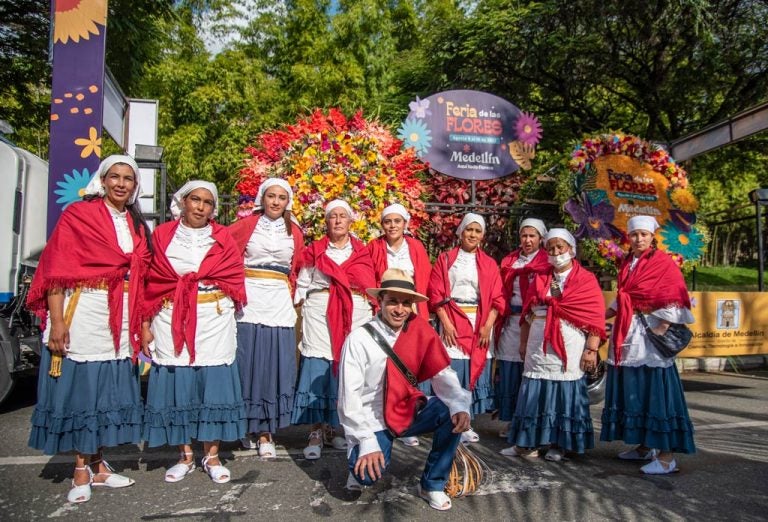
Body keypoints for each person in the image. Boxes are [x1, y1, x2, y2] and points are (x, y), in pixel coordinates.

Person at [27, 155, 151, 503]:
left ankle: (98, 465)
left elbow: (141, 277)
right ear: (103, 180)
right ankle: (80, 468)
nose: (121, 183)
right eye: (115, 176)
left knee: (105, 392)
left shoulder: (136, 224)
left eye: (128, 178)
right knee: (83, 390)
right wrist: (59, 322)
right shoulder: (79, 216)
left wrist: (141, 322)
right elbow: (56, 272)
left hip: (120, 315)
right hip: (84, 308)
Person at [338, 269, 471, 511]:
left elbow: (442, 374)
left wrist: (459, 404)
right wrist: (366, 441)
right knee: (367, 477)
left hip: (405, 408)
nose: (400, 309)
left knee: (449, 411)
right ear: (379, 302)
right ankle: (356, 463)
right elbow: (349, 400)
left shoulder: (419, 330)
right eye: (393, 302)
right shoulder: (358, 339)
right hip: (372, 419)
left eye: (406, 303)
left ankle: (432, 484)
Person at [141, 180, 246, 484]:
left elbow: (234, 276)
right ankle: (184, 455)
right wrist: (145, 325)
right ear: (183, 202)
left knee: (213, 385)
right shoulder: (162, 235)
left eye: (208, 202)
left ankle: (211, 455)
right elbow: (151, 281)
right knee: (179, 386)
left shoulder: (223, 237)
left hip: (213, 318)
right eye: (195, 200)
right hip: (171, 315)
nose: (201, 207)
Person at [600, 215, 695, 474]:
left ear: (652, 236)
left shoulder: (663, 263)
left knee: (656, 392)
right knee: (636, 390)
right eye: (634, 235)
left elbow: (675, 293)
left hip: (651, 337)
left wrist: (662, 327)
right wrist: (600, 316)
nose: (639, 239)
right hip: (630, 332)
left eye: (643, 234)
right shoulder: (628, 263)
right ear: (628, 238)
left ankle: (666, 457)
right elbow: (624, 297)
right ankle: (644, 446)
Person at [501, 228, 605, 462]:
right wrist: (524, 342)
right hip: (538, 343)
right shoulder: (540, 277)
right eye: (551, 248)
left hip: (570, 343)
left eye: (560, 247)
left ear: (571, 250)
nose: (556, 252)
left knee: (563, 394)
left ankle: (561, 444)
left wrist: (591, 349)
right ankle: (527, 442)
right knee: (533, 392)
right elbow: (527, 311)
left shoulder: (585, 280)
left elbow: (596, 319)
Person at [292, 199, 376, 460]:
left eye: (343, 216)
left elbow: (371, 288)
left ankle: (336, 429)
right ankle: (316, 432)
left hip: (354, 314)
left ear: (351, 222)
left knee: (347, 369)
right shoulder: (315, 251)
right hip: (320, 314)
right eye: (333, 216)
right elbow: (302, 285)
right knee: (319, 367)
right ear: (326, 222)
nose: (338, 220)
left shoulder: (363, 253)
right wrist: (297, 312)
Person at [229, 179, 304, 457]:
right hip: (250, 297)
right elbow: (225, 253)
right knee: (248, 362)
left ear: (288, 202)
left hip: (279, 298)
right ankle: (245, 424)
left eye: (281, 197)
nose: (275, 202)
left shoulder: (294, 232)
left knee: (275, 363)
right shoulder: (246, 226)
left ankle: (266, 432)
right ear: (262, 198)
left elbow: (294, 269)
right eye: (271, 196)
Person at [428, 213, 505, 444]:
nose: (472, 235)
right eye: (469, 230)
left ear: (482, 236)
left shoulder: (490, 263)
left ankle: (467, 422)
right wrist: (447, 323)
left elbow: (498, 299)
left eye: (477, 231)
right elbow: (436, 293)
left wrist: (487, 327)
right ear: (461, 232)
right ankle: (452, 420)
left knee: (472, 369)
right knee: (453, 371)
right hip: (452, 318)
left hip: (479, 322)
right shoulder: (445, 259)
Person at [367, 203, 432, 447]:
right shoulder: (374, 247)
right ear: (382, 224)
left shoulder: (415, 247)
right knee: (385, 366)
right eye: (388, 221)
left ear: (406, 224)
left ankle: (409, 422)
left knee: (409, 367)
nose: (392, 226)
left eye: (397, 221)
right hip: (385, 311)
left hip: (410, 311)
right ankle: (383, 418)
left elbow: (424, 280)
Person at [495, 218, 550, 438]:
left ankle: (529, 421)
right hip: (512, 320)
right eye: (524, 235)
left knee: (531, 372)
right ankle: (511, 420)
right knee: (510, 370)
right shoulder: (510, 260)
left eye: (532, 236)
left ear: (541, 238)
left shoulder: (547, 261)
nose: (527, 240)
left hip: (535, 321)